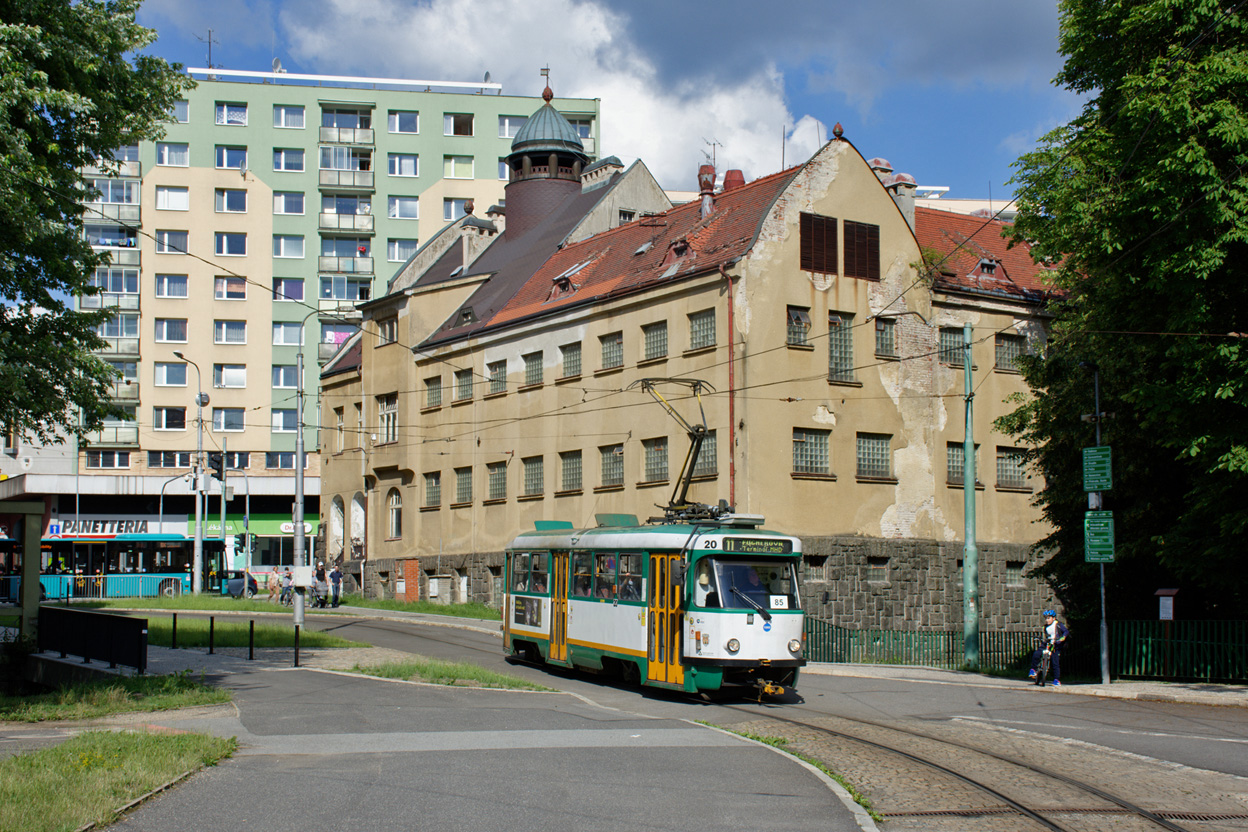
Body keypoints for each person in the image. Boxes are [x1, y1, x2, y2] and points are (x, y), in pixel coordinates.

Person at [1029, 609, 1069, 686]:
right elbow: (1047, 636)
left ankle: (1056, 680)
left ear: (1053, 618)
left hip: (1056, 644)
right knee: (1037, 653)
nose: (1047, 620)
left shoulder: (1058, 624)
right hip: (1048, 642)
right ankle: (1033, 669)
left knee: (1055, 661)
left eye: (1048, 618)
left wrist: (1063, 637)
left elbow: (1066, 631)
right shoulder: (1045, 627)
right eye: (1046, 618)